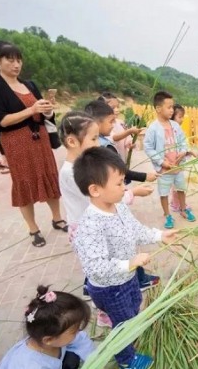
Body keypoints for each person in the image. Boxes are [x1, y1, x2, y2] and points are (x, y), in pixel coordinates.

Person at [72, 147, 177, 369]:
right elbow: (95, 267)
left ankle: (128, 326)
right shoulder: (91, 225)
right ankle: (126, 360)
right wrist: (129, 263)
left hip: (126, 278)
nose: (124, 187)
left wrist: (159, 234)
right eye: (119, 183)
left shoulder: (118, 206)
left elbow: (135, 229)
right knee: (122, 324)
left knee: (133, 306)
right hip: (110, 287)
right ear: (95, 189)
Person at [57, 111, 155, 328]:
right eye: (93, 139)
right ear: (72, 141)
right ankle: (107, 312)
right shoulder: (72, 173)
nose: (98, 144)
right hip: (87, 227)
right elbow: (103, 200)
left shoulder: (83, 168)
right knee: (101, 269)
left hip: (99, 224)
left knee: (112, 262)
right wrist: (131, 193)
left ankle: (115, 301)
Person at [0, 40, 67, 248]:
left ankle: (57, 218)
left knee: (49, 178)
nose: (16, 65)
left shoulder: (29, 85)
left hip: (40, 139)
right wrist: (31, 110)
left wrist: (47, 110)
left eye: (18, 60)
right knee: (24, 183)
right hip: (16, 141)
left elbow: (43, 113)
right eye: (10, 60)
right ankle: (33, 229)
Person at [0, 285, 93, 369]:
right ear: (48, 340)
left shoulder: (53, 337)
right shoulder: (31, 365)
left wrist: (94, 360)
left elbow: (81, 340)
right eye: (74, 331)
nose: (78, 332)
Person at [144, 92, 196, 229]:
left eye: (172, 107)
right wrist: (162, 162)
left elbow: (183, 141)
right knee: (164, 193)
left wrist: (183, 151)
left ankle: (183, 209)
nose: (172, 110)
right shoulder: (153, 128)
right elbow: (148, 147)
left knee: (181, 189)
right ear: (158, 108)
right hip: (165, 169)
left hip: (177, 167)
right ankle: (167, 215)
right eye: (169, 107)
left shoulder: (175, 126)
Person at [97, 93, 142, 163]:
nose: (117, 110)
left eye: (118, 107)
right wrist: (130, 131)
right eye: (113, 108)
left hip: (123, 160)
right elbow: (113, 137)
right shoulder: (103, 126)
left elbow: (127, 138)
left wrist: (129, 143)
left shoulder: (121, 122)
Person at [169, 104, 197, 213]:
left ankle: (174, 203)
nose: (182, 120)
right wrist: (187, 152)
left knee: (176, 185)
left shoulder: (177, 130)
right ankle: (179, 205)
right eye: (179, 117)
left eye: (182, 117)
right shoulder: (172, 132)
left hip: (178, 163)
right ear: (172, 117)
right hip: (174, 163)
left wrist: (188, 151)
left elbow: (183, 146)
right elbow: (175, 148)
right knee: (179, 186)